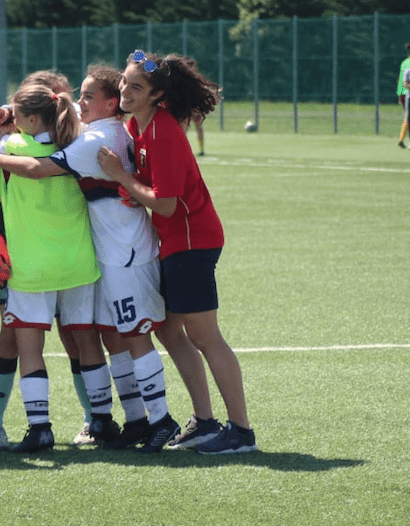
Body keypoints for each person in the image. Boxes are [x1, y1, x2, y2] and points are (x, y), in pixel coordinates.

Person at [0, 65, 182, 453]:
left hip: (125, 251)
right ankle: (135, 420)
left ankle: (162, 420)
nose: (80, 102)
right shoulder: (97, 128)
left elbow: (39, 168)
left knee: (135, 335)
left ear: (110, 103)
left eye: (89, 95)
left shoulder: (98, 138)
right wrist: (9, 113)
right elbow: (58, 115)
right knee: (114, 337)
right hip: (104, 253)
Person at [98, 50, 258, 455]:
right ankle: (204, 422)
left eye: (136, 87)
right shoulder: (137, 125)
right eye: (124, 82)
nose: (125, 91)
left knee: (205, 336)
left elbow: (166, 204)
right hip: (172, 243)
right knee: (168, 329)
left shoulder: (163, 131)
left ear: (157, 95)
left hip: (191, 241)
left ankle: (241, 431)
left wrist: (122, 178)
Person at [0, 83, 99, 453]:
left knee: (30, 346)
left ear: (31, 119)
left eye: (18, 115)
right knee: (85, 340)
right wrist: (13, 115)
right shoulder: (77, 142)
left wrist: (0, 128)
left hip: (32, 266)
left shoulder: (10, 146)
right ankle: (101, 420)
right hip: (78, 262)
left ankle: (40, 428)